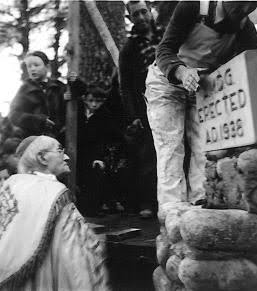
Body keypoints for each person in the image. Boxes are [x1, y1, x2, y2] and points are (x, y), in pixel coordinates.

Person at [145, 1, 257, 207]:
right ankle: (172, 211)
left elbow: (255, 60)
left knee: (204, 148)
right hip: (166, 83)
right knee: (170, 148)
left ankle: (200, 205)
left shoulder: (244, 26)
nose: (246, 9)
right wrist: (181, 72)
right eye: (242, 2)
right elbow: (164, 50)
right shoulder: (192, 6)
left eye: (254, 3)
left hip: (203, 86)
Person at [0, 135, 110, 290]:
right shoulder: (54, 196)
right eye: (59, 150)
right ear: (42, 157)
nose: (66, 157)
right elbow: (77, 259)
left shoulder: (9, 187)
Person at [119, 0, 163, 218]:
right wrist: (132, 116)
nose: (142, 17)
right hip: (147, 105)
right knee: (148, 154)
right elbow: (125, 85)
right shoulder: (129, 48)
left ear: (151, 12)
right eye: (136, 14)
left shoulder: (165, 33)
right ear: (130, 18)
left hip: (176, 98)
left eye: (144, 12)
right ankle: (147, 202)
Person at [76, 86, 127, 216]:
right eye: (91, 100)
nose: (94, 104)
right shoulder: (76, 110)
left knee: (94, 178)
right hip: (77, 150)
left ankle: (91, 209)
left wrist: (99, 157)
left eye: (98, 101)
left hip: (94, 152)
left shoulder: (104, 115)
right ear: (84, 99)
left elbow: (105, 140)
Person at [8, 51, 66, 142]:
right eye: (29, 66)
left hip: (58, 141)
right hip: (32, 141)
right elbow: (14, 115)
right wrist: (39, 121)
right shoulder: (25, 89)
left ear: (47, 67)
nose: (32, 69)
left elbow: (71, 109)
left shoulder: (59, 87)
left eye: (36, 65)